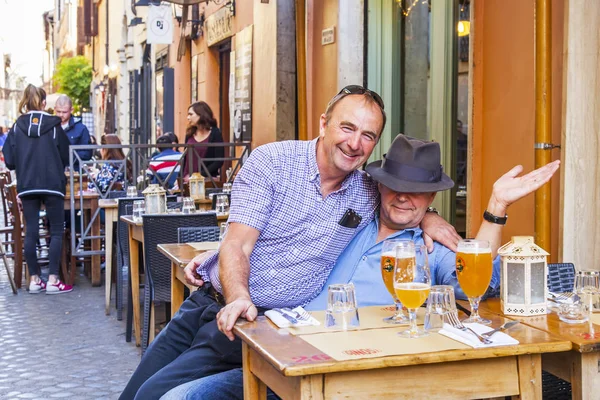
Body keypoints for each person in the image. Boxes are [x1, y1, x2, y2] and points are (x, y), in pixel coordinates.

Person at [120, 85, 459, 399]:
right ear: (324, 123)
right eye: (347, 128)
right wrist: (238, 297)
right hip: (216, 304)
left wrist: (430, 216)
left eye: (368, 135)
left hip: (263, 327)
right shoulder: (272, 163)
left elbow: (403, 201)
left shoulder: (367, 188)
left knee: (155, 396)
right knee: (136, 394)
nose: (355, 143)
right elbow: (238, 243)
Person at [160, 135, 560, 400]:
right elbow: (268, 236)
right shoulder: (346, 214)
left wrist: (496, 209)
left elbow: (477, 282)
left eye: (420, 194)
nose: (406, 199)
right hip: (282, 354)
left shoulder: (431, 246)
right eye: (396, 187)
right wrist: (215, 254)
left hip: (361, 374)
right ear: (379, 184)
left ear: (431, 198)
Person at [2, 84, 73, 294]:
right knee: (57, 230)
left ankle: (34, 279)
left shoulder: (17, 127)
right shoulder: (54, 125)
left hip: (27, 184)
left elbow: (10, 160)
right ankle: (53, 279)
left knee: (30, 230)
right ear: (44, 103)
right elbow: (65, 153)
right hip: (53, 183)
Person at [181, 101, 224, 180]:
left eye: (191, 114)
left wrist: (199, 176)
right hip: (186, 179)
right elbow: (184, 158)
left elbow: (219, 160)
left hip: (206, 179)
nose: (188, 117)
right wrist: (180, 177)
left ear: (201, 114)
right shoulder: (190, 133)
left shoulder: (215, 133)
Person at [54, 95, 92, 170]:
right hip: (54, 171)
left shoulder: (81, 129)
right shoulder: (50, 127)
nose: (61, 115)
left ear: (71, 110)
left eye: (64, 112)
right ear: (54, 109)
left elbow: (87, 153)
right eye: (58, 111)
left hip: (74, 172)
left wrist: (69, 156)